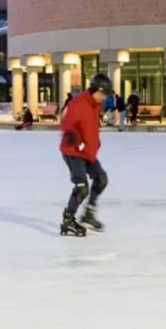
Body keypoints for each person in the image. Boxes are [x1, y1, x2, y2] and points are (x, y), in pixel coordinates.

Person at [58, 73, 111, 236]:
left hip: (88, 151)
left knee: (101, 179)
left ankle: (89, 212)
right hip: (73, 151)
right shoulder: (78, 103)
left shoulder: (95, 104)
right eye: (102, 94)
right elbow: (67, 125)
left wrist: (96, 142)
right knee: (82, 188)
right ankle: (68, 219)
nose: (103, 98)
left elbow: (91, 126)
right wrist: (79, 142)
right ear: (95, 90)